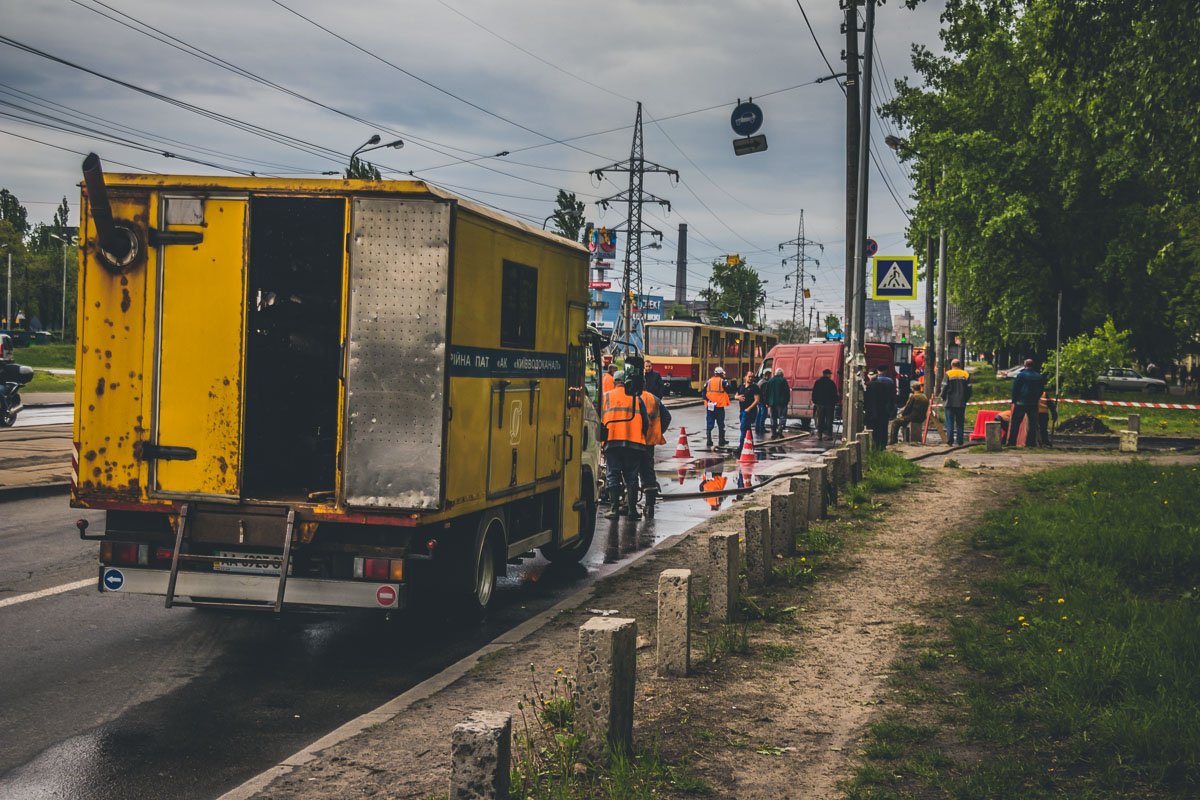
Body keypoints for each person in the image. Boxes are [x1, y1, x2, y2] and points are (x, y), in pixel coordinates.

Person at [601, 373, 664, 520]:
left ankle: (614, 510)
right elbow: (645, 421)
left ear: (615, 382)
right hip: (634, 443)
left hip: (612, 442)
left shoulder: (606, 397)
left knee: (613, 475)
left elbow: (599, 418)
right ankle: (632, 511)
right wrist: (640, 434)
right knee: (631, 477)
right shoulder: (636, 398)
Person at [1008, 359, 1045, 447]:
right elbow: (1041, 389)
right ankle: (1030, 443)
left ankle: (1012, 442)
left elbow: (1016, 389)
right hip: (1033, 403)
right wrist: (1037, 398)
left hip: (1021, 402)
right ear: (1033, 365)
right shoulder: (1038, 376)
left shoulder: (1020, 375)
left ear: (1025, 365)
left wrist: (1014, 400)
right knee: (1032, 424)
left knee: (1015, 423)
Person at [940, 358, 972, 446]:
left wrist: (942, 397)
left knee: (949, 422)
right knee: (960, 423)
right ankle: (960, 441)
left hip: (949, 402)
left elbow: (944, 387)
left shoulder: (948, 374)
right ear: (959, 365)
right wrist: (965, 399)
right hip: (961, 402)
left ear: (951, 365)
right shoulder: (965, 374)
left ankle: (950, 441)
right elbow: (969, 389)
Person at [864, 366, 896, 450]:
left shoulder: (867, 386)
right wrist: (890, 410)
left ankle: (873, 447)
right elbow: (890, 398)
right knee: (883, 429)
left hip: (871, 413)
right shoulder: (885, 385)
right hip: (883, 412)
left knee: (873, 430)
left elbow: (865, 400)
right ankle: (882, 446)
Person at [703, 366, 730, 448]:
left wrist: (708, 401)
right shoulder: (723, 381)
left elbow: (703, 393)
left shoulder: (708, 381)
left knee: (709, 422)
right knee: (720, 423)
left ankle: (709, 440)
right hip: (719, 406)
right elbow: (729, 389)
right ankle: (721, 440)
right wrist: (725, 380)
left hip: (710, 406)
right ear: (721, 374)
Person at [734, 370, 761, 452]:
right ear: (745, 377)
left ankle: (741, 447)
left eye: (752, 377)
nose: (750, 378)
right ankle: (750, 445)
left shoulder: (755, 387)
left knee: (743, 428)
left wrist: (748, 409)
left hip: (750, 411)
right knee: (747, 429)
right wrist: (737, 397)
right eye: (749, 377)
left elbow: (757, 400)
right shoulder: (741, 386)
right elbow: (735, 395)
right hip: (742, 410)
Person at [811, 368, 838, 441]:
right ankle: (829, 435)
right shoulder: (831, 383)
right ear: (828, 375)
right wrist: (835, 402)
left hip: (820, 404)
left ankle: (819, 435)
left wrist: (815, 402)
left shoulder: (818, 382)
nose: (830, 375)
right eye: (830, 374)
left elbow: (814, 393)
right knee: (829, 420)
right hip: (829, 404)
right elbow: (835, 394)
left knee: (820, 420)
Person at [763, 367, 790, 438]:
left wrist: (767, 402)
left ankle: (773, 433)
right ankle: (780, 430)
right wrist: (787, 400)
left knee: (773, 418)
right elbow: (787, 392)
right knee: (782, 417)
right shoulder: (783, 381)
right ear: (782, 374)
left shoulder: (770, 381)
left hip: (772, 403)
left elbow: (766, 392)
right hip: (782, 403)